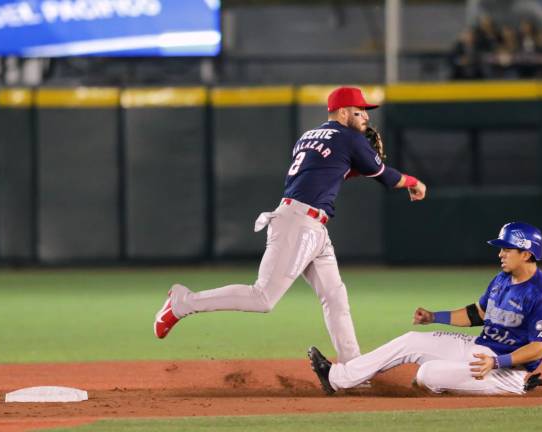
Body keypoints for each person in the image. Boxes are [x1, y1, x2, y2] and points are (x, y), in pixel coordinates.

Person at [153, 86, 428, 364]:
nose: (366, 117)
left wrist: (353, 167)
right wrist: (414, 182)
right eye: (360, 111)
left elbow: (324, 173)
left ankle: (352, 367)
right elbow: (387, 177)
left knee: (335, 298)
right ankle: (183, 303)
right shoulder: (349, 137)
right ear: (343, 113)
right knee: (262, 297)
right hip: (300, 224)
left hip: (309, 224)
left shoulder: (307, 137)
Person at [308, 222, 542, 395]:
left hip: (505, 370)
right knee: (411, 340)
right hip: (481, 350)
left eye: (507, 249)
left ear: (526, 254)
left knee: (427, 374)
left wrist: (496, 362)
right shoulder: (502, 279)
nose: (500, 254)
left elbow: (538, 347)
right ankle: (337, 378)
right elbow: (478, 314)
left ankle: (515, 387)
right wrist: (434, 316)